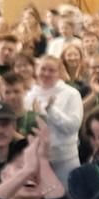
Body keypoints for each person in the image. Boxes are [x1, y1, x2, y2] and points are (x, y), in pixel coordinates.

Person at [26, 56, 85, 184]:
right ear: (36, 70)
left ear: (59, 73)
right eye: (43, 69)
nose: (46, 73)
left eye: (52, 70)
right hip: (38, 159)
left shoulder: (71, 94)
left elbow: (73, 126)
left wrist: (51, 110)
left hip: (65, 159)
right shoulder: (30, 95)